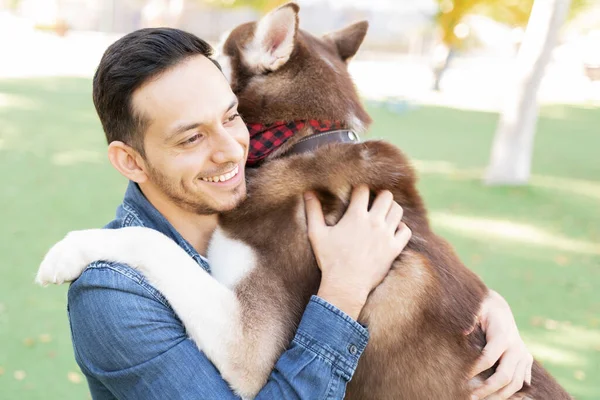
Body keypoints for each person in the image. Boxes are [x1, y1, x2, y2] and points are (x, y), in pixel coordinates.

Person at [67, 28, 532, 399]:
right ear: (131, 161)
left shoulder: (277, 207)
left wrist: (479, 307)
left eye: (232, 117)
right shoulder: (114, 293)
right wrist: (343, 292)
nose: (231, 151)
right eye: (192, 138)